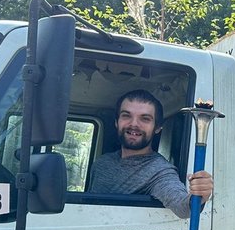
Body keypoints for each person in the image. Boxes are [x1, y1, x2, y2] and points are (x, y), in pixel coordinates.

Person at [90, 89, 214, 219]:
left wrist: (199, 196)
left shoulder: (160, 171)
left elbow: (183, 208)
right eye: (126, 116)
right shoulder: (101, 163)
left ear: (157, 127)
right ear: (117, 122)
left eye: (145, 119)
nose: (134, 124)